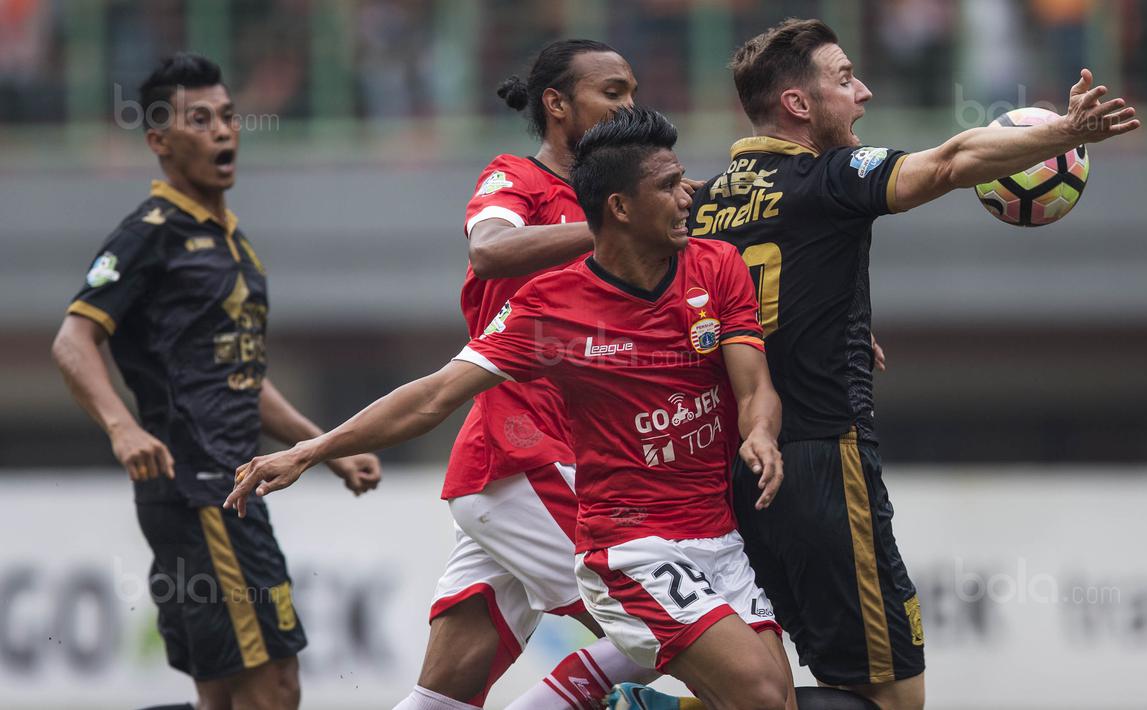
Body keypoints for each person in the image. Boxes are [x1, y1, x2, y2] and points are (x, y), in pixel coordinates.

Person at [226, 107, 798, 710]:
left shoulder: (717, 266)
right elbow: (436, 394)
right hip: (633, 543)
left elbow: (752, 383)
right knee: (753, 694)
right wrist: (312, 449)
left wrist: (759, 431)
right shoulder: (553, 307)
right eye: (668, 185)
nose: (689, 197)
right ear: (620, 208)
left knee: (778, 702)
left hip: (718, 537)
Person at [668, 18, 1137, 710]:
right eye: (843, 78)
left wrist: (828, 324)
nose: (862, 92)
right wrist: (1065, 133)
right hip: (827, 464)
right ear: (798, 105)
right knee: (891, 699)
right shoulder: (826, 178)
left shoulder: (702, 202)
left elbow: (707, 313)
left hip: (731, 475)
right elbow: (949, 162)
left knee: (784, 684)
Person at [50, 53, 381, 710]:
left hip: (230, 489)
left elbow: (242, 378)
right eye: (199, 120)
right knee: (274, 685)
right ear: (159, 140)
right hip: (201, 494)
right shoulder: (150, 235)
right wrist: (122, 428)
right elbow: (73, 339)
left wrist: (323, 447)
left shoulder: (231, 240)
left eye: (229, 116)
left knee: (224, 695)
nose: (223, 132)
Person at [394, 40, 671, 710]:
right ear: (556, 104)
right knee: (672, 632)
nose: (626, 106)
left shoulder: (629, 210)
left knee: (445, 694)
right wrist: (609, 227)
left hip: (552, 462)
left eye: (631, 91)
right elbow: (489, 251)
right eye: (611, 91)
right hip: (524, 454)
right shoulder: (515, 179)